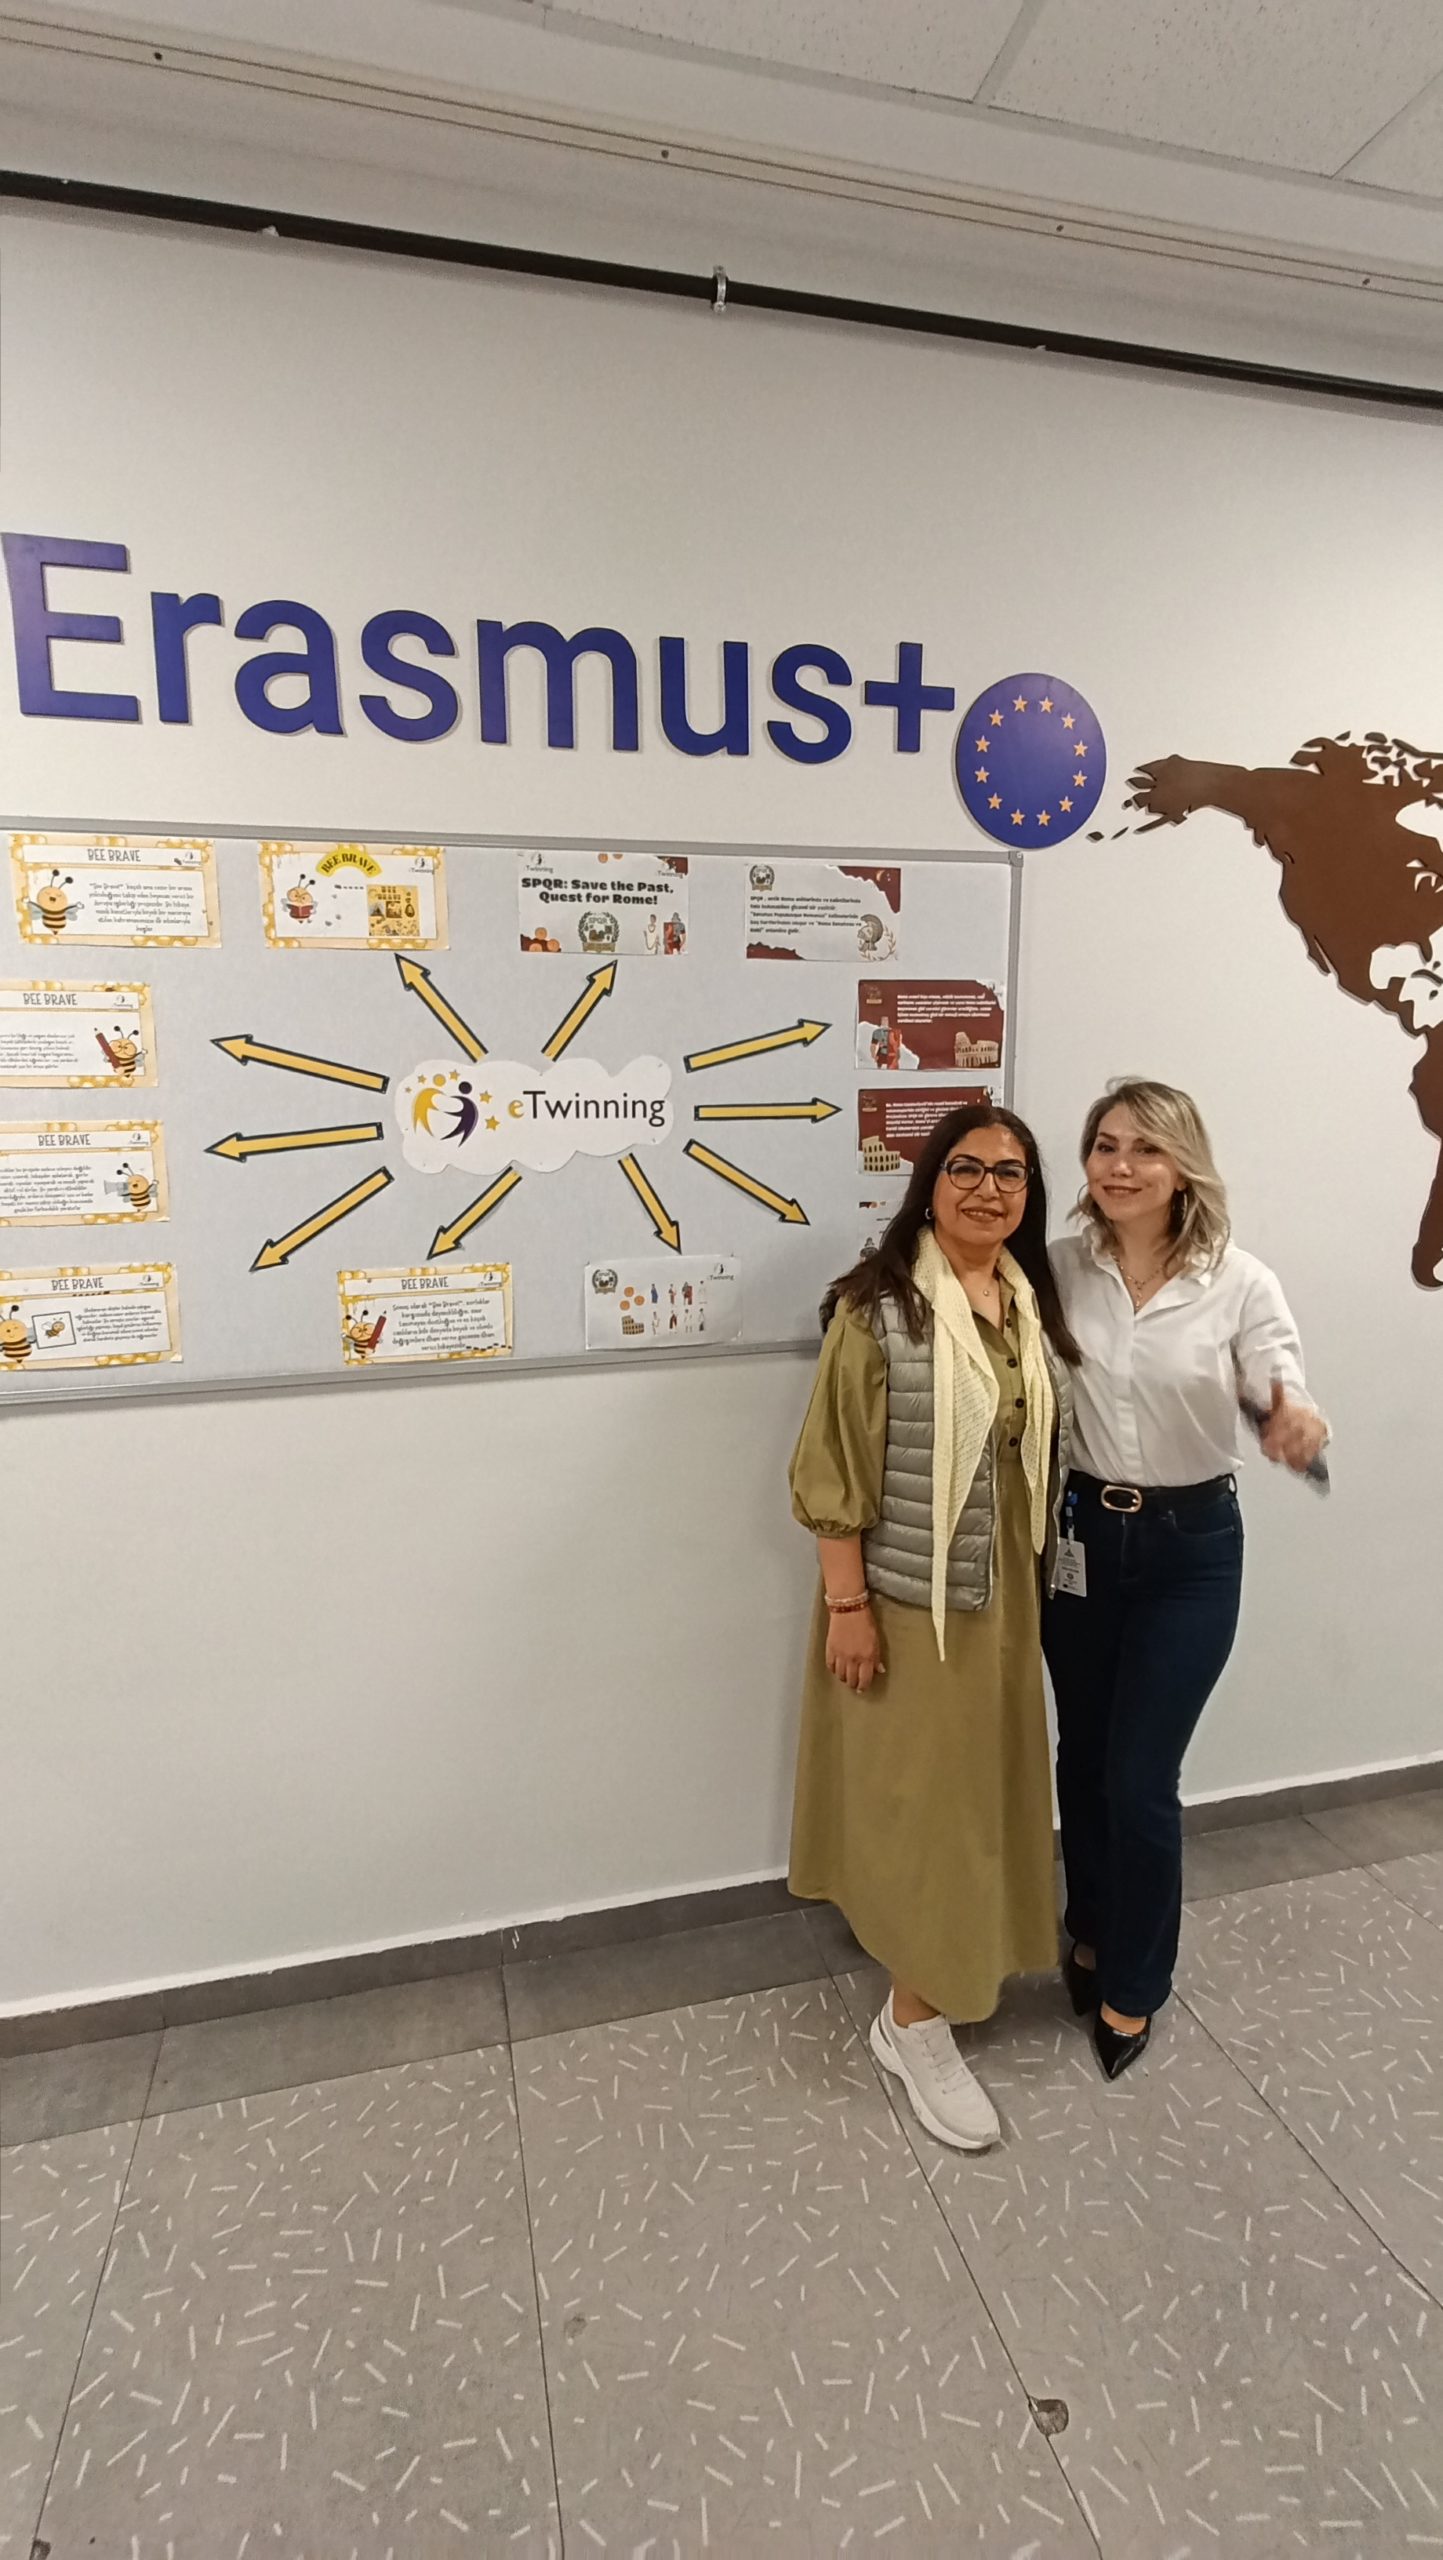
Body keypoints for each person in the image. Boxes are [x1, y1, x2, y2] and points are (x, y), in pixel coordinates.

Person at [788, 1104, 1079, 2151]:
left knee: (978, 1800)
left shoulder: (1026, 1301)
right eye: (966, 1168)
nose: (988, 1189)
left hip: (1000, 1601)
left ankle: (949, 1973)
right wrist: (848, 1607)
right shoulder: (880, 1310)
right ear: (930, 1182)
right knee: (927, 1814)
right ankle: (913, 2023)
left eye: (1010, 1173)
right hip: (911, 1609)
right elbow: (832, 1468)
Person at [1045, 1079, 1328, 2082]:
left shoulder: (1238, 1281)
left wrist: (1294, 1419)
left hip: (1190, 1550)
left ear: (1183, 1168)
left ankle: (1134, 1983)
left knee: (1139, 1776)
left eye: (1146, 1149)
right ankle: (1088, 1928)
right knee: (1083, 1756)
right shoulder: (1059, 1268)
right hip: (1080, 1539)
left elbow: (1276, 1382)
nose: (1120, 1165)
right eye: (1105, 1145)